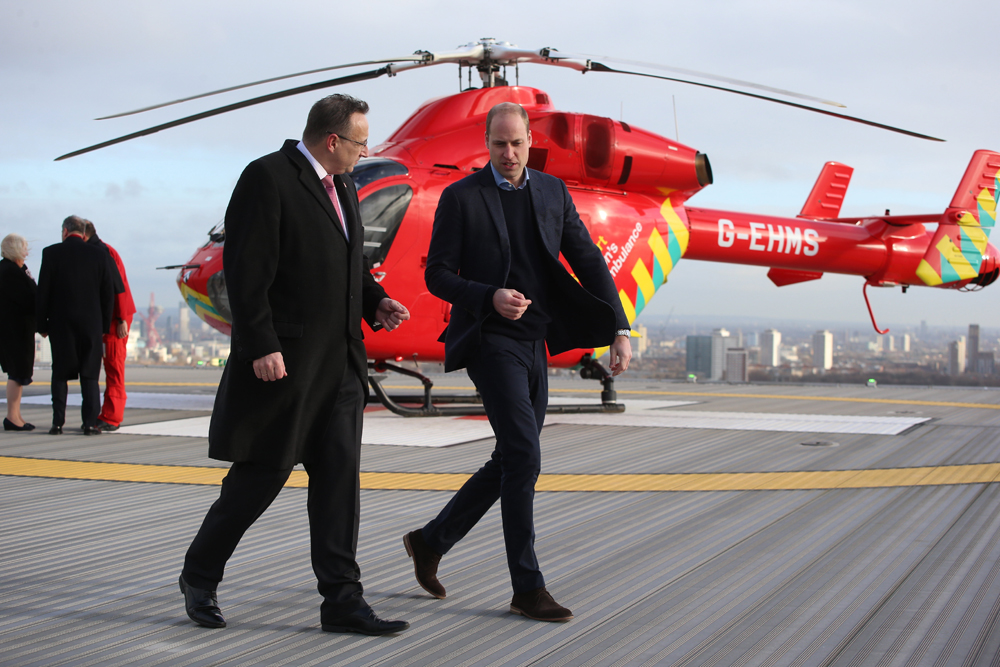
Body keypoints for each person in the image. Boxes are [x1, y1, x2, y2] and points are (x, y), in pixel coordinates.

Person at [179, 93, 411, 635]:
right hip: (286, 364)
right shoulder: (267, 178)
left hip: (342, 365)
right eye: (359, 143)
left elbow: (350, 261)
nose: (364, 152)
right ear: (332, 140)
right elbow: (245, 270)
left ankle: (343, 602)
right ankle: (199, 574)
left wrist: (376, 300)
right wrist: (260, 344)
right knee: (260, 478)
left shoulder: (345, 185)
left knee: (338, 485)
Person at [403, 102, 632, 622]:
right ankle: (527, 588)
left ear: (530, 142)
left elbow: (588, 259)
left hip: (535, 341)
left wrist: (618, 329)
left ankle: (431, 540)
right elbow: (437, 274)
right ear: (486, 144)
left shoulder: (552, 192)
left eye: (516, 143)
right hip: (488, 339)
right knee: (525, 456)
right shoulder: (461, 197)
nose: (508, 153)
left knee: (511, 457)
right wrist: (489, 296)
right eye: (499, 144)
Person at [36, 216, 114, 436]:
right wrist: (104, 326)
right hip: (92, 324)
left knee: (60, 373)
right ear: (84, 233)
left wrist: (42, 324)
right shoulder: (100, 254)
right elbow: (108, 294)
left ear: (65, 231)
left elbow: (43, 292)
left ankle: (57, 423)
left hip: (61, 323)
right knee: (90, 375)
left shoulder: (51, 253)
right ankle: (89, 424)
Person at [83, 221, 136, 431]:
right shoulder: (103, 250)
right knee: (112, 365)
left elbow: (117, 287)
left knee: (114, 365)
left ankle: (112, 416)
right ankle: (108, 413)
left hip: (115, 320)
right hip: (114, 317)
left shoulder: (102, 252)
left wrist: (121, 319)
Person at [0, 233, 38, 431]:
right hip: (14, 331)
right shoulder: (9, 272)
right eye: (24, 248)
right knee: (17, 373)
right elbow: (27, 299)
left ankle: (16, 416)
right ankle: (12, 417)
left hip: (18, 329)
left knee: (19, 373)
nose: (26, 252)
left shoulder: (16, 269)